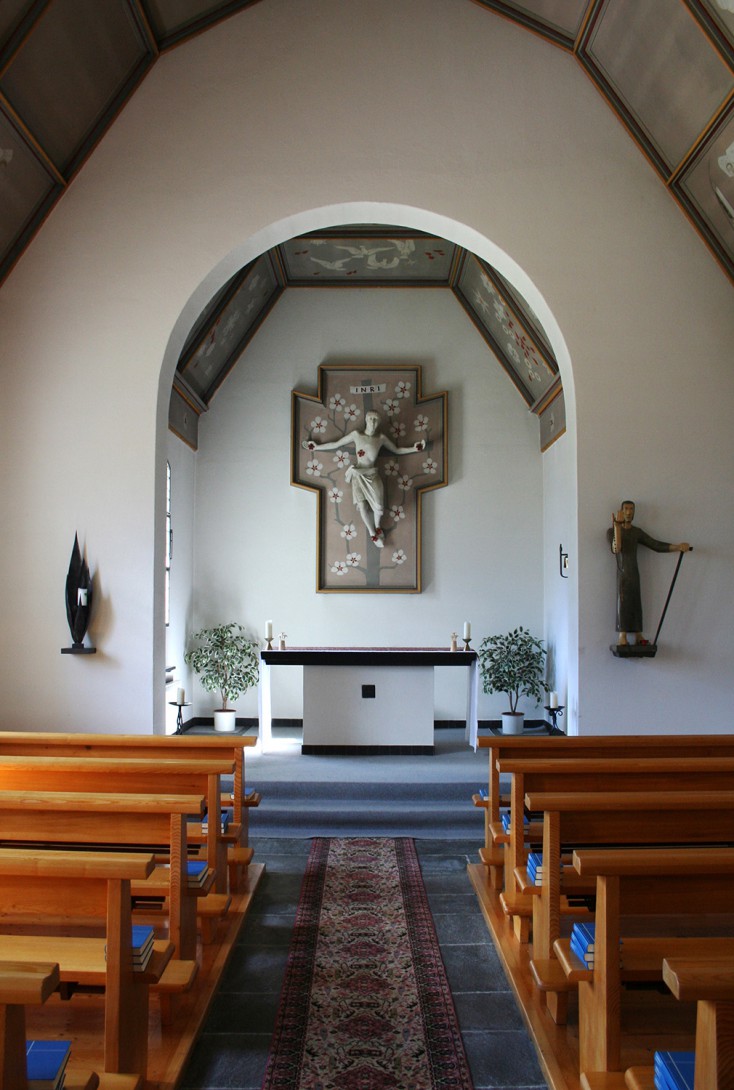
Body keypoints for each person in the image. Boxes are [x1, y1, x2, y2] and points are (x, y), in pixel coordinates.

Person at [303, 410, 424, 547]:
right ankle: (372, 533)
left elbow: (396, 450)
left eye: (376, 420)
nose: (373, 422)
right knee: (362, 506)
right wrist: (317, 447)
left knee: (379, 507)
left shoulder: (381, 438)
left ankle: (378, 527)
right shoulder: (356, 435)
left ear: (378, 423)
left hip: (372, 474)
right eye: (371, 419)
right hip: (358, 475)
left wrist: (414, 449)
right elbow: (337, 443)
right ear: (366, 419)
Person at [607, 501, 690, 646]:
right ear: (620, 510)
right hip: (623, 573)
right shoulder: (611, 531)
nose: (628, 512)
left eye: (631, 509)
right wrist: (616, 526)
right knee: (623, 601)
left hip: (634, 572)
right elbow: (617, 548)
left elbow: (655, 544)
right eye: (625, 509)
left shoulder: (636, 532)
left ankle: (638, 633)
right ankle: (623, 634)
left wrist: (677, 547)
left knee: (636, 601)